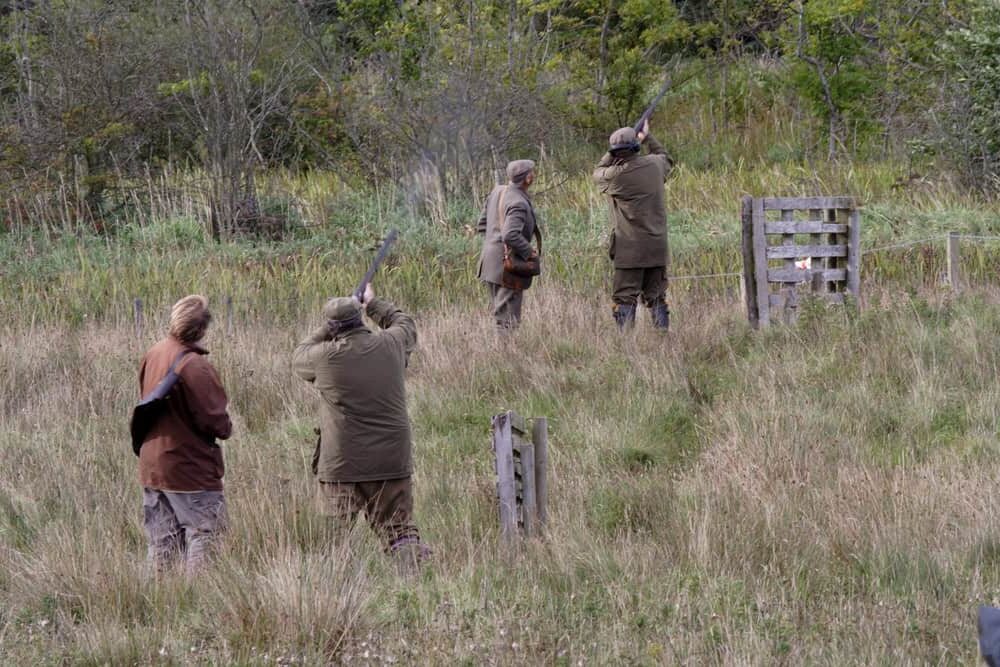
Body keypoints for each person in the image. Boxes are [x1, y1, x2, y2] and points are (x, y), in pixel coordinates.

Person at [292, 283, 429, 572]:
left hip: (342, 463)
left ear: (334, 327)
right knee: (400, 533)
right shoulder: (391, 344)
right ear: (360, 319)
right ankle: (415, 589)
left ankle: (339, 594)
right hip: (391, 459)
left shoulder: (325, 357)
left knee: (334, 540)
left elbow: (300, 354)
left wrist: (328, 329)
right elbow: (405, 323)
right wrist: (373, 303)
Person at [137, 294, 233, 576]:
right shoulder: (195, 366)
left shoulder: (154, 353)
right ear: (203, 329)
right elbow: (218, 424)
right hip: (188, 466)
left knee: (161, 542)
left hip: (152, 463)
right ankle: (198, 605)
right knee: (206, 534)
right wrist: (227, 424)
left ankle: (158, 603)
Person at [593, 120, 674, 330]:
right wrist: (647, 137)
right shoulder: (656, 165)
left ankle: (627, 347)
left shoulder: (616, 176)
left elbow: (598, 172)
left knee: (625, 299)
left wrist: (612, 153)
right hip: (657, 246)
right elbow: (666, 157)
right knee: (657, 297)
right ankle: (662, 339)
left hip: (630, 251)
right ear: (636, 147)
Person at [476, 159, 541, 331]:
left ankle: (504, 353)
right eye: (532, 172)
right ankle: (506, 355)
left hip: (490, 263)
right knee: (508, 320)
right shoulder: (518, 202)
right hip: (507, 267)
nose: (534, 175)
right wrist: (530, 253)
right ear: (527, 179)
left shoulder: (498, 191)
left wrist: (494, 244)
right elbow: (510, 234)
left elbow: (482, 224)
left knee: (502, 313)